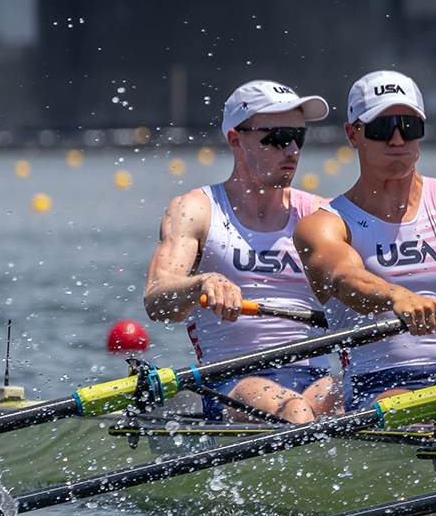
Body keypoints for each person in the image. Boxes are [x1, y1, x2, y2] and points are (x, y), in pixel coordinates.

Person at [295, 70, 436, 427]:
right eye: (383, 127)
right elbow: (344, 277)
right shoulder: (325, 224)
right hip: (377, 386)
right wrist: (395, 297)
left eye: (410, 125)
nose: (398, 138)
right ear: (353, 134)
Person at [142, 79, 339, 424]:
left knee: (368, 393)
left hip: (315, 380)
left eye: (299, 137)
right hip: (232, 382)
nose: (291, 149)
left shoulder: (322, 216)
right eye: (276, 137)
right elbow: (157, 300)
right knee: (296, 411)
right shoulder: (196, 211)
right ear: (235, 139)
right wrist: (200, 284)